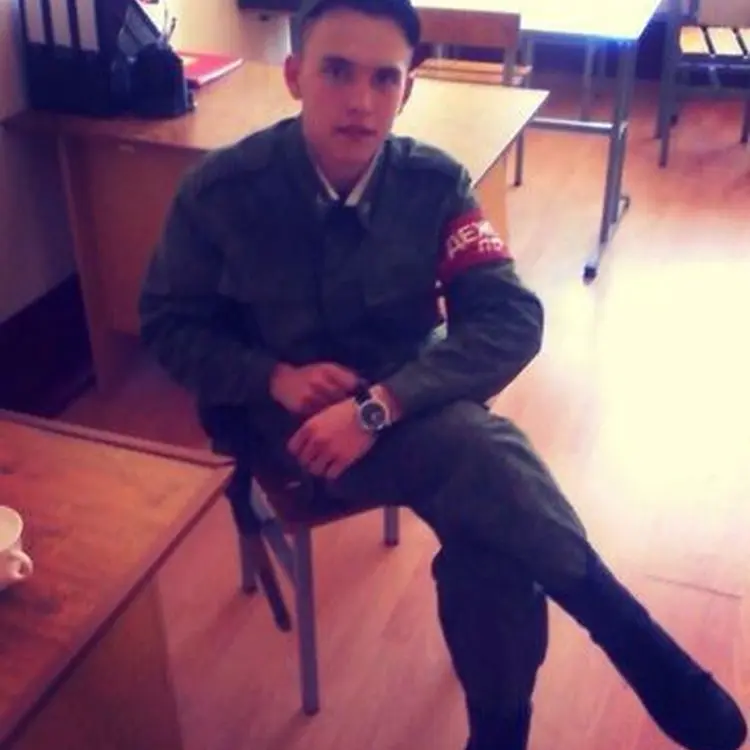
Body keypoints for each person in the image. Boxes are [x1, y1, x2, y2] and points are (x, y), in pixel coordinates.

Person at [138, 0, 748, 748]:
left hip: (408, 405)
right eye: (337, 72)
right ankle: (616, 632)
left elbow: (510, 318)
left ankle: (502, 731)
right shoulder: (222, 191)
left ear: (408, 89)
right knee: (478, 454)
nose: (361, 101)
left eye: (384, 79)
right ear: (295, 76)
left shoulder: (434, 184)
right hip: (294, 431)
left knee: (489, 538)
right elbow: (167, 324)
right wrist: (272, 378)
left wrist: (380, 406)